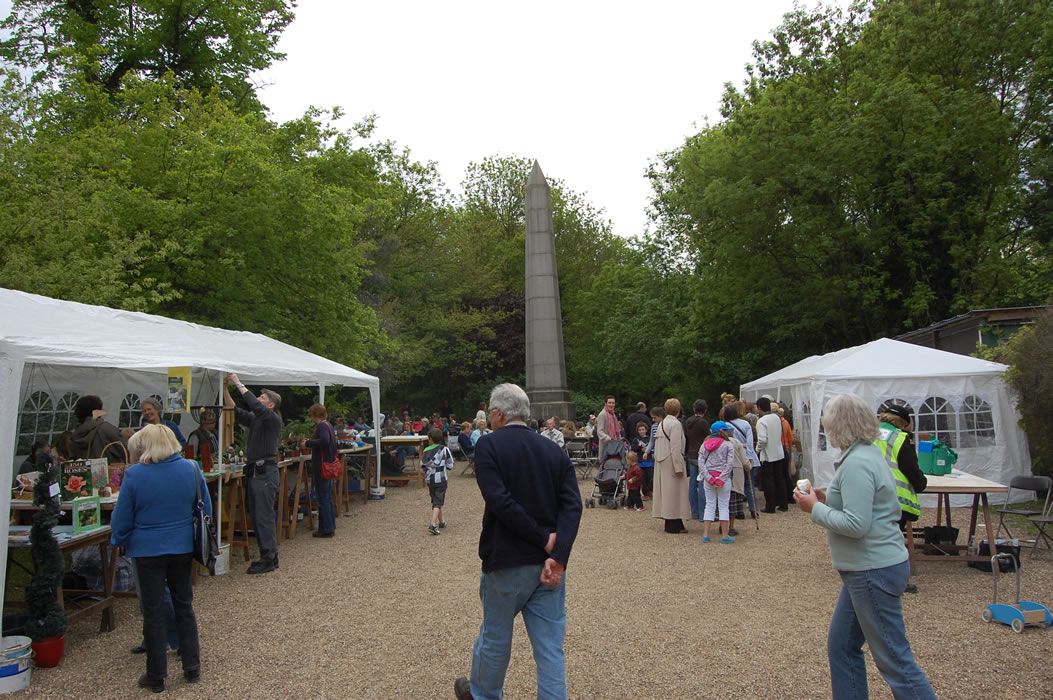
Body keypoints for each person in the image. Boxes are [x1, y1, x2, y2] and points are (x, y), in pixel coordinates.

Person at [794, 393, 936, 700]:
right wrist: (826, 497)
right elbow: (863, 502)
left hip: (873, 570)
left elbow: (856, 525)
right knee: (842, 647)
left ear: (839, 426)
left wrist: (814, 509)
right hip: (870, 568)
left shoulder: (858, 461)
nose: (826, 430)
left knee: (895, 661)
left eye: (828, 425)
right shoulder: (867, 453)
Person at [454, 383, 582, 700]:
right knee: (550, 648)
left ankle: (483, 695)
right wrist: (559, 552)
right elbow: (572, 505)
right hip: (549, 566)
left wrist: (544, 540)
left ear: (498, 413)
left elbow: (500, 502)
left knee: (496, 638)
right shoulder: (554, 450)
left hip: (507, 559)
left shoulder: (489, 447)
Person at [109, 424, 208, 692]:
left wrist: (118, 540)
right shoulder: (191, 468)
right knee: (183, 604)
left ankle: (156, 674)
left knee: (152, 611)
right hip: (182, 545)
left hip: (147, 549)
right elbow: (204, 508)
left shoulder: (135, 475)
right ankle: (192, 666)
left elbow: (122, 517)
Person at [224, 373, 282, 574]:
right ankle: (270, 557)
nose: (258, 400)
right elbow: (235, 410)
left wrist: (237, 382)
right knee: (257, 516)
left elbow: (252, 405)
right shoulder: (258, 420)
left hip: (265, 473)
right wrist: (224, 389)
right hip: (257, 473)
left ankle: (268, 558)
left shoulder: (271, 419)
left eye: (262, 398)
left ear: (271, 405)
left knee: (263, 517)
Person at [652, 398, 691, 534]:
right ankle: (673, 523)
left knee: (668, 494)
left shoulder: (662, 423)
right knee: (675, 494)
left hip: (662, 462)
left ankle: (673, 522)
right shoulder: (675, 424)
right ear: (678, 410)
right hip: (672, 462)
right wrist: (679, 467)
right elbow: (676, 447)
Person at [301, 403, 337, 539]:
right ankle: (329, 526)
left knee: (323, 497)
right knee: (327, 497)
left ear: (315, 414)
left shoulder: (322, 426)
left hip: (322, 465)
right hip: (327, 463)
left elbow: (324, 441)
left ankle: (325, 528)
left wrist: (308, 443)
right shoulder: (328, 425)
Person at [698, 421, 735, 543]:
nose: (727, 432)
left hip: (709, 478)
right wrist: (721, 478)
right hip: (723, 479)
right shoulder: (728, 445)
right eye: (725, 430)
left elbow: (701, 463)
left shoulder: (704, 444)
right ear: (721, 431)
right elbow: (730, 463)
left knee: (709, 505)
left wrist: (709, 478)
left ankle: (706, 534)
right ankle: (725, 536)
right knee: (724, 506)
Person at [722, 403, 760, 517]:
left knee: (735, 486)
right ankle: (754, 509)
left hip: (733, 458)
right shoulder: (745, 424)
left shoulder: (724, 426)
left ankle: (738, 511)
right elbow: (750, 443)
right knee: (749, 485)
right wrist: (749, 457)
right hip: (746, 456)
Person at [70, 395, 128, 463]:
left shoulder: (75, 434)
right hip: (108, 472)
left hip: (85, 473)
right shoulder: (107, 429)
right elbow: (126, 450)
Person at [756, 397, 788, 513]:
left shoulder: (761, 421)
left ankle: (770, 505)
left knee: (768, 480)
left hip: (768, 454)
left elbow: (762, 440)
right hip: (779, 451)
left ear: (759, 407)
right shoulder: (777, 418)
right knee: (780, 478)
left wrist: (757, 450)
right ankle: (783, 503)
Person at [422, 427, 454, 535]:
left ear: (430, 439)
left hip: (430, 479)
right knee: (438, 501)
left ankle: (442, 521)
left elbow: (422, 466)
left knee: (435, 500)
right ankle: (433, 524)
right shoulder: (444, 449)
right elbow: (450, 464)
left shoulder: (425, 451)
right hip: (441, 479)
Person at [684, 399, 711, 520]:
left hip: (690, 454)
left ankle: (694, 512)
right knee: (702, 484)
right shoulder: (703, 423)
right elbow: (709, 436)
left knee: (692, 484)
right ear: (705, 410)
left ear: (694, 409)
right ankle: (703, 513)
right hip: (701, 455)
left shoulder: (688, 421)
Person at [595, 395, 621, 461]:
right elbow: (600, 431)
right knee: (605, 466)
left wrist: (619, 438)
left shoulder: (613, 414)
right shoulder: (602, 415)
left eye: (613, 403)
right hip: (605, 446)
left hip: (614, 445)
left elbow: (616, 430)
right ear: (605, 403)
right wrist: (608, 438)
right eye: (609, 403)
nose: (611, 404)